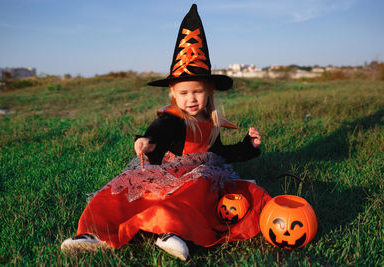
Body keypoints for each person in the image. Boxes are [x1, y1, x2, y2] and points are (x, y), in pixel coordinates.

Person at [61, 4, 271, 261]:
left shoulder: (211, 122)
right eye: (183, 93)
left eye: (197, 92)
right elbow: (158, 131)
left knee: (199, 188)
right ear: (173, 94)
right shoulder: (173, 119)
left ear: (209, 92)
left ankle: (172, 232)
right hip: (167, 173)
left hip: (199, 177)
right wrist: (147, 142)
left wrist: (249, 146)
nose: (191, 99)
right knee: (122, 192)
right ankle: (95, 233)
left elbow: (221, 154)